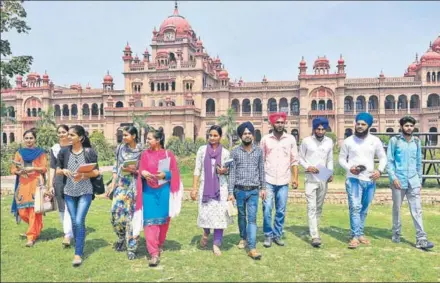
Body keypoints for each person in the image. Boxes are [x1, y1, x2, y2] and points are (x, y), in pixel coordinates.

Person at [133, 127, 181, 267]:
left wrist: (165, 175)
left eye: (149, 138)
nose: (147, 141)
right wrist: (143, 173)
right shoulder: (145, 154)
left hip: (164, 191)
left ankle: (159, 244)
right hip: (148, 192)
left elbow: (175, 172)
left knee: (163, 222)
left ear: (158, 140)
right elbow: (141, 169)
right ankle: (153, 253)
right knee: (150, 222)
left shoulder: (168, 154)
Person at [338, 112, 387, 249]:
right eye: (358, 123)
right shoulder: (348, 141)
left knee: (364, 208)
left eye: (363, 124)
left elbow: (383, 157)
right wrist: (349, 168)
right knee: (355, 207)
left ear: (368, 126)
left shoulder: (374, 141)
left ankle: (360, 233)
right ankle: (355, 235)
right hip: (353, 178)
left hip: (370, 179)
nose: (359, 126)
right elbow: (341, 159)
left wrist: (379, 170)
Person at [386, 116, 434, 250]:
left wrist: (419, 180)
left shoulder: (417, 142)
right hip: (398, 181)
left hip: (413, 181)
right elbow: (389, 161)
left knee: (417, 210)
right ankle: (396, 233)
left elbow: (419, 162)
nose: (409, 128)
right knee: (397, 209)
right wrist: (393, 178)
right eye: (406, 126)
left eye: (411, 126)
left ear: (414, 127)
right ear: (401, 127)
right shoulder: (395, 141)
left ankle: (421, 239)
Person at [56, 125, 100, 267]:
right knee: (75, 221)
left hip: (85, 191)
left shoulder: (89, 152)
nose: (68, 137)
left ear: (80, 137)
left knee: (79, 220)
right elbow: (57, 170)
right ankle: (78, 242)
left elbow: (96, 172)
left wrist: (84, 175)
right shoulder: (63, 152)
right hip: (69, 191)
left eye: (72, 135)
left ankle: (78, 253)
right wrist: (64, 170)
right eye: (68, 134)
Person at [190, 125, 233, 256]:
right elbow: (197, 169)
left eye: (215, 135)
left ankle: (216, 244)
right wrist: (194, 188)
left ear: (220, 137)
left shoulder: (225, 153)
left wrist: (224, 171)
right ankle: (206, 232)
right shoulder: (202, 150)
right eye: (210, 135)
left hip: (221, 188)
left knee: (220, 216)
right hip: (205, 187)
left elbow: (229, 171)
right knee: (205, 214)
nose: (213, 138)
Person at [260, 112, 299, 248]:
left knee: (281, 210)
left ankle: (277, 234)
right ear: (272, 124)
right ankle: (268, 235)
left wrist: (295, 178)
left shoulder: (290, 139)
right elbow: (261, 160)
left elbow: (294, 160)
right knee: (267, 208)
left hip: (283, 180)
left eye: (282, 122)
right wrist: (261, 183)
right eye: (277, 122)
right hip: (268, 179)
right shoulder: (265, 139)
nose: (280, 124)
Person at [228, 122, 266, 260]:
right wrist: (230, 192)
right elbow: (232, 173)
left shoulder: (259, 151)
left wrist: (263, 188)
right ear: (240, 136)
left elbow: (261, 170)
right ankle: (243, 238)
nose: (247, 135)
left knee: (252, 218)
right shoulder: (235, 152)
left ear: (253, 135)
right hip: (239, 190)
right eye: (245, 133)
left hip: (253, 191)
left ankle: (252, 247)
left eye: (250, 133)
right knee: (241, 217)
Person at [107, 126, 143, 259]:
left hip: (135, 185)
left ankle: (132, 247)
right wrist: (112, 184)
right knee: (115, 214)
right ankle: (121, 237)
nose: (123, 137)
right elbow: (116, 166)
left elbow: (145, 169)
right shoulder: (120, 148)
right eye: (123, 135)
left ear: (134, 136)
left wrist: (136, 170)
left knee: (131, 217)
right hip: (121, 185)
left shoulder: (141, 150)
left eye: (126, 135)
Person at [299, 117, 334, 247]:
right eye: (318, 129)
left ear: (326, 129)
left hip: (323, 177)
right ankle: (315, 236)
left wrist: (330, 172)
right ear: (314, 129)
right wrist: (308, 167)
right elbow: (300, 158)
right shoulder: (306, 141)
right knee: (311, 207)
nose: (320, 131)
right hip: (310, 178)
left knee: (318, 207)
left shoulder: (329, 141)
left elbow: (329, 159)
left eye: (323, 129)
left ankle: (315, 229)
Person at [10, 129, 48, 247]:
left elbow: (44, 168)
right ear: (23, 139)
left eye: (31, 138)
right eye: (26, 138)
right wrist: (19, 172)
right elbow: (13, 169)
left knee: (33, 210)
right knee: (22, 211)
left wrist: (33, 169)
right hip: (23, 183)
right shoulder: (19, 153)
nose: (29, 140)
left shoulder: (40, 153)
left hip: (36, 183)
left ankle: (31, 237)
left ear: (35, 139)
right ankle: (37, 226)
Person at [49, 124, 73, 247]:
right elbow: (52, 167)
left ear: (69, 133)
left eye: (64, 132)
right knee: (62, 208)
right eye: (59, 132)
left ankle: (69, 233)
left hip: (73, 179)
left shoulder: (74, 147)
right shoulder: (55, 148)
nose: (61, 134)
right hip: (59, 180)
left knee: (72, 207)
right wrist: (50, 185)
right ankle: (67, 233)